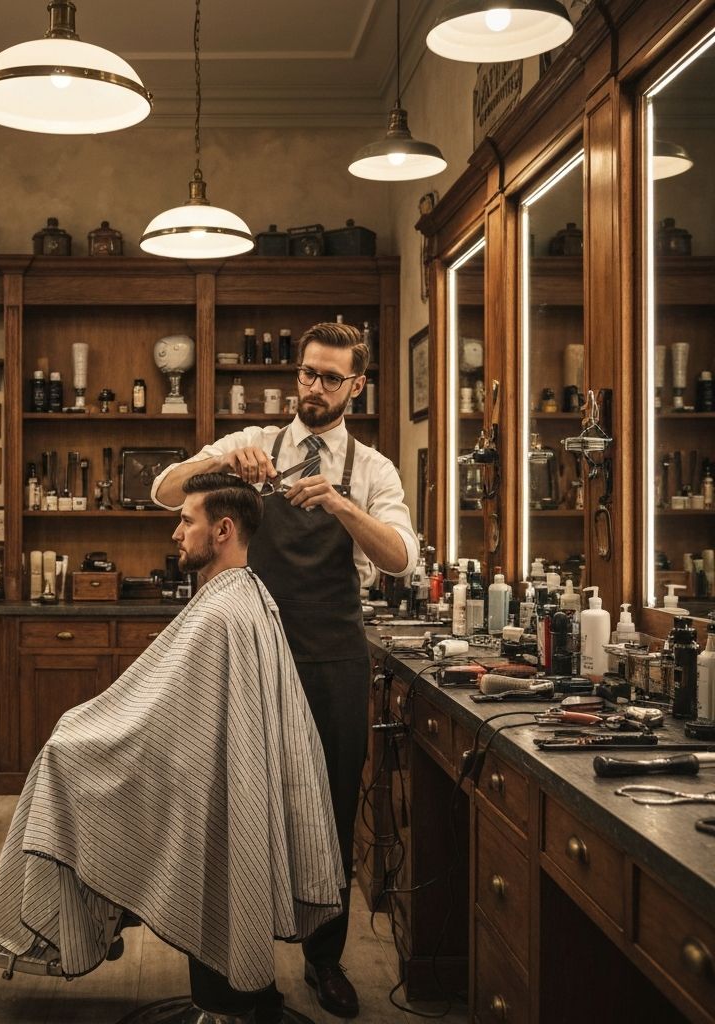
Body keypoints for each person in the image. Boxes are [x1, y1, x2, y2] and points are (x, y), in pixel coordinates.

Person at [0, 474, 344, 1023]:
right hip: (221, 785)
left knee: (61, 762)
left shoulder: (222, 613)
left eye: (186, 520)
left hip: (208, 788)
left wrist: (71, 739)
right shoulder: (246, 596)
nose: (176, 532)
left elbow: (156, 725)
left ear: (222, 530)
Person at [152, 321, 418, 1019]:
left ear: (356, 387)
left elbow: (399, 557)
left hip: (331, 657)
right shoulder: (255, 447)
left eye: (332, 378)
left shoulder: (372, 469)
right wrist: (220, 463)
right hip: (246, 654)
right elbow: (162, 489)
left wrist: (338, 503)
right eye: (308, 373)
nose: (315, 388)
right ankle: (240, 961)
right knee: (240, 804)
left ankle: (323, 961)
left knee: (325, 813)